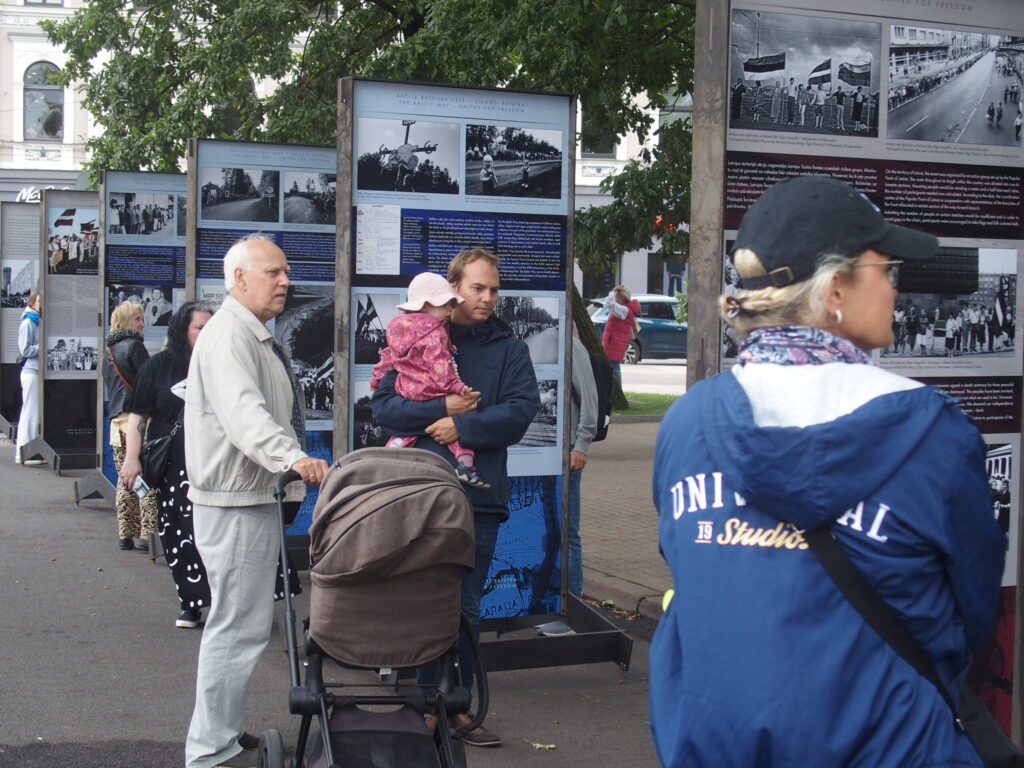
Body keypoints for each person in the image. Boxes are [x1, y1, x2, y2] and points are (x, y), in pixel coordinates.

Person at [649, 175, 1006, 767]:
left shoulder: (687, 422)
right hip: (895, 746)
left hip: (719, 745)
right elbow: (971, 607)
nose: (894, 288)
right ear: (836, 286)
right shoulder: (934, 434)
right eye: (886, 269)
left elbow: (692, 574)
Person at [372, 248, 540, 748]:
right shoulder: (414, 335)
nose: (487, 298)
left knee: (465, 606)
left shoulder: (510, 348)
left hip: (479, 499)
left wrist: (461, 426)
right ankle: (428, 706)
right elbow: (384, 408)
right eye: (476, 288)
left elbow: (519, 413)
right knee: (426, 599)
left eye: (493, 289)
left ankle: (458, 706)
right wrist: (441, 407)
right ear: (453, 289)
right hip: (420, 492)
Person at [183, 234, 329, 768]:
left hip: (247, 496)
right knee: (236, 627)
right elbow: (245, 414)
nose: (285, 280)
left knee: (240, 624)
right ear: (239, 278)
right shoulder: (229, 337)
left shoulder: (249, 334)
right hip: (235, 502)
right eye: (273, 272)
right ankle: (209, 748)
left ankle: (219, 732)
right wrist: (292, 457)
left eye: (285, 271)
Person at [120, 302, 215, 629]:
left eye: (210, 327)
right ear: (182, 330)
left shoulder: (222, 363)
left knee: (215, 535)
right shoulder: (158, 366)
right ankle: (191, 603)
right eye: (199, 327)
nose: (206, 333)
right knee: (179, 534)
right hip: (174, 467)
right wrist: (132, 458)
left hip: (215, 464)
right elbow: (138, 416)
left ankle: (227, 604)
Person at [369, 270, 489, 489]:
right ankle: (465, 465)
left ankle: (390, 453)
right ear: (425, 306)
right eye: (445, 304)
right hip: (430, 388)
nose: (450, 309)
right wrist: (455, 386)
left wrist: (377, 378)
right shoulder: (435, 332)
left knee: (411, 427)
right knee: (460, 419)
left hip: (406, 388)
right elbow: (439, 364)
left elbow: (388, 356)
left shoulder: (398, 329)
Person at [537, 325, 598, 637]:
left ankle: (572, 613)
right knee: (550, 531)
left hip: (567, 452)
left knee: (567, 533)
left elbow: (589, 398)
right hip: (544, 454)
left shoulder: (570, 343)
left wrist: (581, 445)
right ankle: (553, 607)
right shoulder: (533, 342)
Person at [102, 300, 157, 552]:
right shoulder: (134, 346)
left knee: (125, 479)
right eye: (137, 319)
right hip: (138, 423)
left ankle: (125, 533)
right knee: (146, 478)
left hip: (117, 423)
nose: (142, 323)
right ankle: (147, 534)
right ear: (124, 321)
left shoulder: (108, 351)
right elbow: (149, 383)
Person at [15, 291, 43, 465]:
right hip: (31, 371)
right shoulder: (28, 322)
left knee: (33, 413)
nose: (42, 304)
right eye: (39, 301)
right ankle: (24, 453)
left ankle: (29, 452)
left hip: (36, 371)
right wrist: (44, 345)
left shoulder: (36, 321)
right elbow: (25, 350)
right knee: (29, 413)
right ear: (32, 303)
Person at [600, 285, 640, 383]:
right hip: (613, 342)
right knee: (612, 367)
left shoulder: (624, 310)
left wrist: (612, 292)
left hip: (615, 343)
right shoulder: (623, 309)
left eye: (617, 296)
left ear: (623, 297)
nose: (615, 298)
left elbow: (609, 303)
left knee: (615, 368)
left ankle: (618, 388)